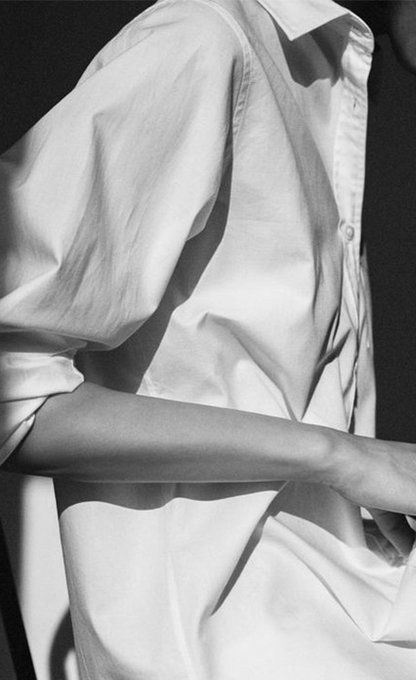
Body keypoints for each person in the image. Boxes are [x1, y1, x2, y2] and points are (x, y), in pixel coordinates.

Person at [1, 0, 416, 677]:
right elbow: (13, 396)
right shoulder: (203, 41)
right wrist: (343, 458)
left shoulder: (326, 80)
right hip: (227, 651)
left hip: (340, 623)